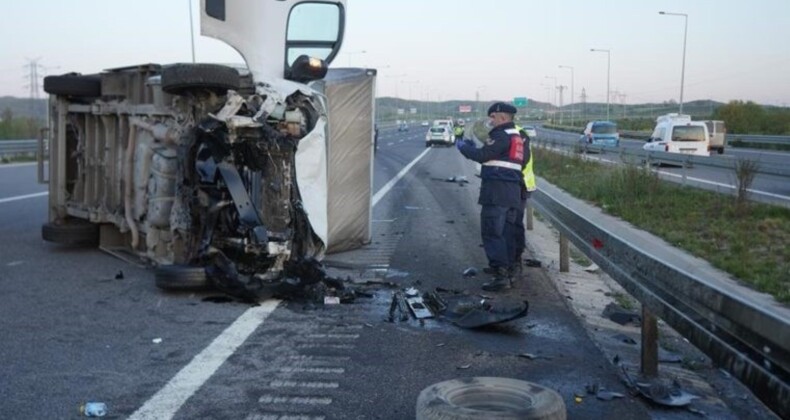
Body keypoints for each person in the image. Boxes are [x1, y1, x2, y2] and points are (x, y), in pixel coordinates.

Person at [456, 102, 529, 291]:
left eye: (493, 117)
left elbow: (483, 155)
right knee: (507, 233)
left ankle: (500, 276)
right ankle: (510, 270)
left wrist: (464, 147)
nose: (491, 120)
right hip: (513, 191)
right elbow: (523, 160)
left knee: (492, 232)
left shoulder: (501, 134)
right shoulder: (518, 137)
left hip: (496, 191)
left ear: (503, 118)